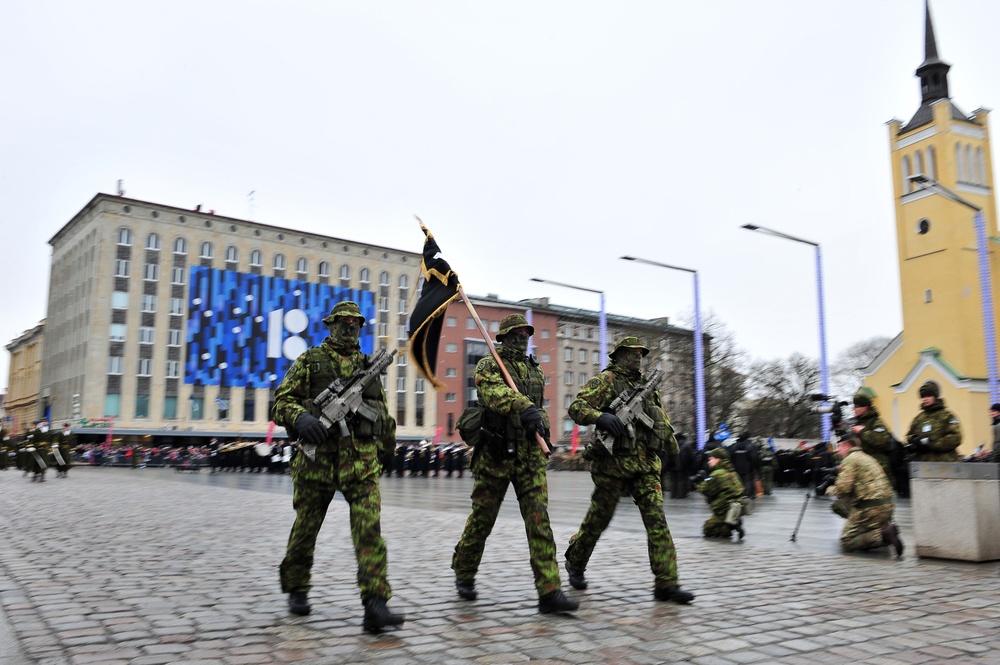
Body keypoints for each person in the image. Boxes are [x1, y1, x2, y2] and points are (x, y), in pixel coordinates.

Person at [271, 300, 404, 632]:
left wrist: (388, 450)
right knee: (305, 529)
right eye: (343, 322)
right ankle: (297, 587)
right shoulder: (311, 361)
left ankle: (376, 602)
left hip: (360, 463)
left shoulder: (367, 367)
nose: (349, 328)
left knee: (369, 531)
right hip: (317, 464)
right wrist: (301, 418)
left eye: (355, 323)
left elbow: (381, 413)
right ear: (330, 325)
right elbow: (282, 401)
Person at [451, 313, 578, 614]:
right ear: (504, 337)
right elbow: (494, 393)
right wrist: (524, 407)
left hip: (528, 457)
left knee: (539, 521)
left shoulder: (534, 369)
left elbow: (539, 406)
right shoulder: (489, 364)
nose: (522, 338)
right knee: (483, 519)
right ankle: (464, 570)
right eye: (516, 333)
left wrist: (543, 425)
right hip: (495, 454)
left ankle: (549, 590)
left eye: (526, 333)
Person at [564, 336, 694, 604]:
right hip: (613, 465)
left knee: (656, 520)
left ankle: (666, 582)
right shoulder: (607, 381)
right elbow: (576, 408)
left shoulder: (646, 387)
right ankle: (575, 562)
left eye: (640, 353)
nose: (637, 357)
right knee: (598, 520)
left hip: (645, 465)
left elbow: (657, 420)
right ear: (620, 354)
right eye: (633, 353)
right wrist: (601, 417)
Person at [826, 435, 903, 556]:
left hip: (870, 509)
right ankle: (883, 531)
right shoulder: (868, 457)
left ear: (847, 446)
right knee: (838, 506)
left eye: (839, 447)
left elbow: (843, 490)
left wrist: (829, 488)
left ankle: (882, 535)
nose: (837, 450)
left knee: (846, 541)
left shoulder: (850, 459)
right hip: (888, 507)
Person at [905, 380, 961, 462]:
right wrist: (914, 440)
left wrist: (933, 445)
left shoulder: (947, 416)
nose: (925, 399)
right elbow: (909, 435)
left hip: (944, 463)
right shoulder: (919, 418)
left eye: (928, 396)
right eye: (923, 397)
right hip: (924, 464)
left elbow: (956, 437)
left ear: (935, 397)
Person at [696, 448, 746, 539]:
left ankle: (733, 524)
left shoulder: (717, 474)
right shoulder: (732, 472)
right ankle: (730, 522)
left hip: (724, 508)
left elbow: (706, 490)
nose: (709, 462)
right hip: (738, 505)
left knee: (707, 530)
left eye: (711, 459)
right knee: (723, 531)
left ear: (718, 459)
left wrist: (698, 484)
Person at [849, 393, 896, 485]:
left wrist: (862, 432)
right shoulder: (857, 423)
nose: (854, 409)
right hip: (862, 468)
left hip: (877, 468)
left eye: (857, 406)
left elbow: (881, 440)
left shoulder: (876, 422)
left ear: (865, 407)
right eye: (854, 406)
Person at [728, 432, 760, 498]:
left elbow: (730, 457)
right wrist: (756, 468)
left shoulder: (735, 446)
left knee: (738, 482)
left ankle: (740, 494)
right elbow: (754, 457)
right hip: (748, 468)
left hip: (737, 467)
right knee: (749, 482)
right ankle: (749, 495)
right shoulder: (750, 446)